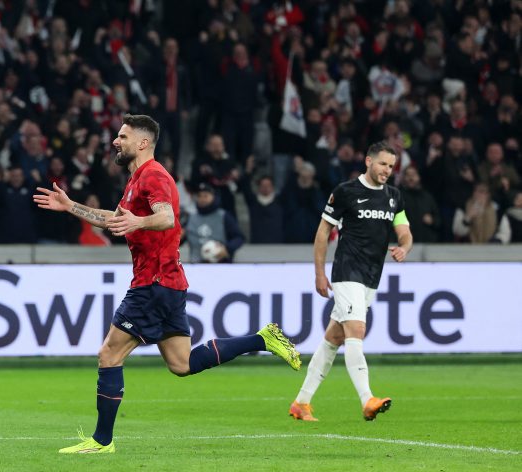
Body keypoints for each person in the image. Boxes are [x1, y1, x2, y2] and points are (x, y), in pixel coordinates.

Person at [34, 114, 301, 454]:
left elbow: (166, 217)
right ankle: (262, 338)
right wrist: (70, 205)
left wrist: (139, 222)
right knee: (181, 363)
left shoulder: (154, 175)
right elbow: (114, 220)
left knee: (109, 354)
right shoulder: (136, 181)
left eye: (123, 136)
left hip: (153, 283)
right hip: (168, 283)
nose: (116, 141)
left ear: (143, 142)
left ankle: (102, 441)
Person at [289, 141, 413, 423]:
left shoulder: (394, 196)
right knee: (357, 329)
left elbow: (404, 231)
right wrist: (319, 273)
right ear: (368, 161)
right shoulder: (346, 192)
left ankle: (301, 403)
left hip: (371, 276)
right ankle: (367, 399)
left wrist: (404, 247)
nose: (387, 170)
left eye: (391, 166)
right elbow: (323, 233)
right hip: (347, 271)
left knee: (334, 338)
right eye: (382, 164)